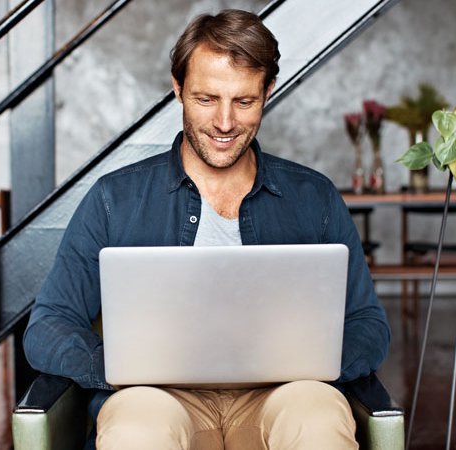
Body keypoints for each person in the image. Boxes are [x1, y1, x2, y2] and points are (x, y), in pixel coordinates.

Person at [24, 9, 390, 449]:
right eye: (206, 99)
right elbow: (48, 324)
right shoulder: (112, 200)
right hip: (158, 399)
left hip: (284, 395)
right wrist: (118, 367)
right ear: (178, 88)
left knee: (317, 419)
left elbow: (368, 323)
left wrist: (320, 363)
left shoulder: (314, 198)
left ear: (268, 92)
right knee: (135, 429)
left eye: (244, 101)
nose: (224, 123)